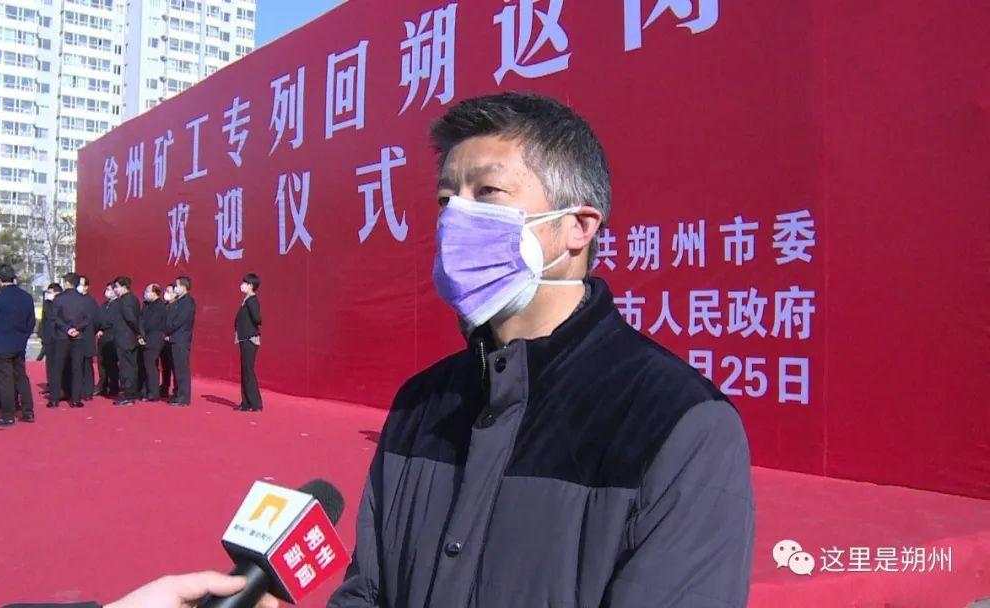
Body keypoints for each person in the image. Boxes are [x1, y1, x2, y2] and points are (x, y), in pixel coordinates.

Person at [327, 94, 754, 608]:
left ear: (578, 226)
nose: (456, 218)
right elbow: (367, 592)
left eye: (488, 192)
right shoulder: (420, 404)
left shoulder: (679, 422)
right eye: (446, 199)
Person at [0, 264, 36, 426]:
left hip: (0, 345)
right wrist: (23, 337)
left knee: (5, 380)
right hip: (19, 344)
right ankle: (28, 410)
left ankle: (8, 414)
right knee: (21, 377)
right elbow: (31, 322)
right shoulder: (26, 297)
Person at [49, 273, 92, 408]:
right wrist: (77, 328)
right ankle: (76, 399)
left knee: (57, 368)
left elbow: (54, 317)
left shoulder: (59, 299)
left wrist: (67, 329)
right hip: (78, 336)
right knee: (77, 368)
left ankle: (54, 399)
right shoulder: (84, 300)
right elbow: (88, 318)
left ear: (67, 283)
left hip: (62, 336)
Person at [163, 276, 195, 406]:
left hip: (181, 340)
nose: (175, 288)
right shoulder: (180, 301)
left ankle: (183, 397)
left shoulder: (188, 302)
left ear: (183, 287)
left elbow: (179, 321)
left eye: (176, 286)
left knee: (182, 370)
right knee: (176, 368)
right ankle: (177, 393)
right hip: (174, 339)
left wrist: (167, 329)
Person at [234, 273, 263, 412]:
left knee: (248, 371)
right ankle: (246, 402)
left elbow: (257, 318)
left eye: (244, 283)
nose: (242, 285)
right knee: (245, 370)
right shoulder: (246, 300)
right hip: (244, 338)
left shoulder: (252, 300)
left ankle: (255, 403)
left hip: (250, 339)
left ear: (251, 285)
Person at [111, 276, 141, 406]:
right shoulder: (133, 299)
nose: (115, 290)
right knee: (130, 366)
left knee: (126, 368)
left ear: (123, 287)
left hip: (125, 338)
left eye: (116, 287)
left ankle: (128, 395)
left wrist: (138, 332)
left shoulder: (125, 300)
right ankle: (130, 393)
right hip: (128, 338)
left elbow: (131, 318)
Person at [138, 284, 166, 402]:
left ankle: (153, 393)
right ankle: (144, 391)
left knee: (151, 367)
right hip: (143, 338)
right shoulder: (145, 304)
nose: (145, 293)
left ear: (155, 293)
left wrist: (144, 334)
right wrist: (140, 335)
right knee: (144, 366)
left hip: (154, 339)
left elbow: (153, 323)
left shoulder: (160, 306)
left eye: (148, 291)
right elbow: (141, 319)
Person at [95, 282, 120, 397]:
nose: (107, 292)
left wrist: (104, 327)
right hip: (102, 336)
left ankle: (114, 386)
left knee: (111, 363)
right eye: (107, 289)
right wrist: (99, 329)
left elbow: (113, 320)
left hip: (112, 336)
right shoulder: (104, 304)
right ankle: (102, 385)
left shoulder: (118, 304)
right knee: (101, 362)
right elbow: (99, 318)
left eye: (109, 289)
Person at [78, 275, 100, 401]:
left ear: (87, 287)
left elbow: (96, 320)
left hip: (87, 337)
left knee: (87, 365)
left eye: (81, 284)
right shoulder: (75, 300)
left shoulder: (91, 302)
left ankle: (88, 391)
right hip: (74, 338)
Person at [159, 285, 177, 399]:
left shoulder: (177, 307)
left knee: (174, 367)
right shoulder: (164, 306)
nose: (166, 293)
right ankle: (164, 387)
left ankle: (176, 390)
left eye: (169, 291)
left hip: (172, 340)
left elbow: (175, 324)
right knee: (165, 366)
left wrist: (169, 334)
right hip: (162, 340)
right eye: (166, 291)